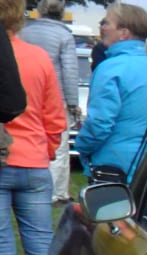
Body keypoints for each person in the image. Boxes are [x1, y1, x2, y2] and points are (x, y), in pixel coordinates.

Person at [0, 0, 64, 255]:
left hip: (3, 157)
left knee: (2, 248)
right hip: (35, 160)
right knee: (40, 246)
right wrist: (48, 150)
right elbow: (54, 116)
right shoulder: (39, 57)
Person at [74, 3, 147, 183]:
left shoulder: (110, 69)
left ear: (124, 33)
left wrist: (81, 146)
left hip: (111, 167)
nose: (102, 27)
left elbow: (100, 123)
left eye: (107, 23)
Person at [18, 0, 76, 204]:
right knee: (59, 146)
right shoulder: (65, 35)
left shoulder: (24, 32)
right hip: (55, 96)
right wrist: (73, 102)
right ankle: (56, 191)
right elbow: (69, 71)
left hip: (27, 95)